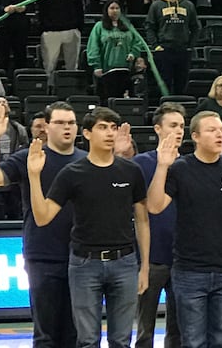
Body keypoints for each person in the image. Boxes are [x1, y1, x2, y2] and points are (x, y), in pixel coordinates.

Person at [28, 107, 150, 348]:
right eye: (102, 127)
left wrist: (144, 266)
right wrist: (33, 176)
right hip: (85, 264)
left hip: (125, 261)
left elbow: (143, 220)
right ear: (87, 133)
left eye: (113, 128)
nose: (109, 133)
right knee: (86, 341)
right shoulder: (72, 173)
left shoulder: (131, 170)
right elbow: (42, 217)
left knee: (121, 340)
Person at [0, 101, 86, 347]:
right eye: (60, 123)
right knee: (46, 334)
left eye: (71, 123)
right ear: (46, 127)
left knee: (77, 334)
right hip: (43, 255)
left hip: (83, 258)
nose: (67, 128)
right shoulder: (31, 156)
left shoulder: (86, 160)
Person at [146, 110, 222, 348]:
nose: (219, 135)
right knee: (193, 341)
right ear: (195, 136)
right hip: (190, 270)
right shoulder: (180, 168)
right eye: (212, 130)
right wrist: (162, 166)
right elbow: (154, 206)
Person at [132, 103, 186, 348]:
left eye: (182, 126)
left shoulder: (189, 165)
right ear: (157, 129)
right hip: (151, 258)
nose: (179, 131)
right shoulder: (141, 163)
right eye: (173, 125)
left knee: (179, 330)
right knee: (145, 329)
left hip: (183, 259)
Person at [145, 0, 200, 95]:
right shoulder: (156, 5)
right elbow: (150, 27)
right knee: (165, 82)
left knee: (182, 82)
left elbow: (195, 27)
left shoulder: (188, 5)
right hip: (164, 49)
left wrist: (190, 45)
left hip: (183, 49)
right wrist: (156, 46)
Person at [87, 0, 149, 102]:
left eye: (117, 8)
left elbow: (137, 42)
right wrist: (96, 66)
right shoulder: (99, 26)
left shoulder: (128, 26)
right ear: (106, 10)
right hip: (107, 71)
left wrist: (133, 53)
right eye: (112, 8)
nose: (114, 10)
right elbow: (93, 47)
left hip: (126, 70)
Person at [38, 0, 83, 87]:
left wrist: (78, 26)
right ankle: (49, 89)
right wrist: (44, 27)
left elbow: (79, 8)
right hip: (51, 31)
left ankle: (70, 88)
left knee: (71, 65)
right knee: (50, 65)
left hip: (71, 30)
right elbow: (41, 9)